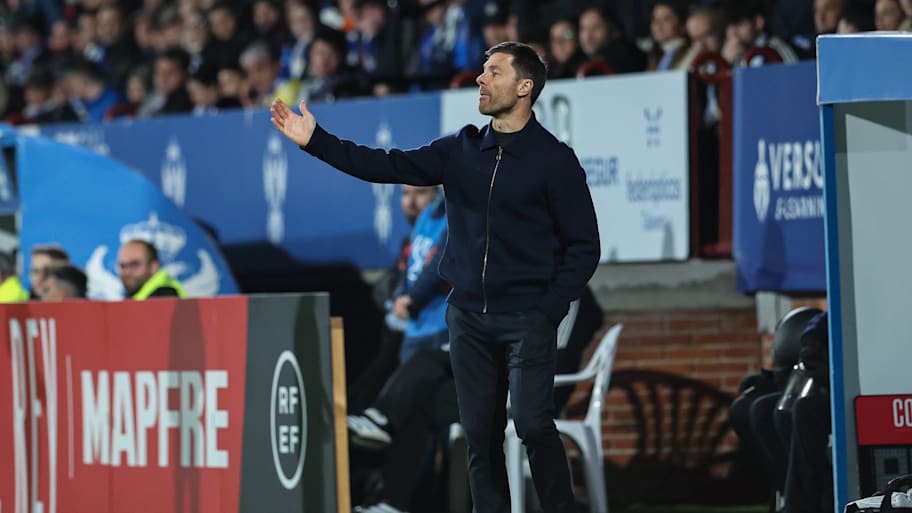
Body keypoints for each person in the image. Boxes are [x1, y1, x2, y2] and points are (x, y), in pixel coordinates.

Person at [271, 41, 600, 513]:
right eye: (483, 70)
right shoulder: (460, 149)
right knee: (481, 436)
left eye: (494, 72)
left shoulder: (555, 160)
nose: (480, 79)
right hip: (467, 319)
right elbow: (385, 165)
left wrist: (548, 308)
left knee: (532, 425)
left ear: (524, 87)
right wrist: (316, 141)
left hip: (527, 318)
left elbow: (584, 247)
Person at [117, 239, 186, 299]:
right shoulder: (136, 293)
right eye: (122, 266)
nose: (127, 272)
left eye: (134, 265)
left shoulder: (165, 294)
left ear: (154, 267)